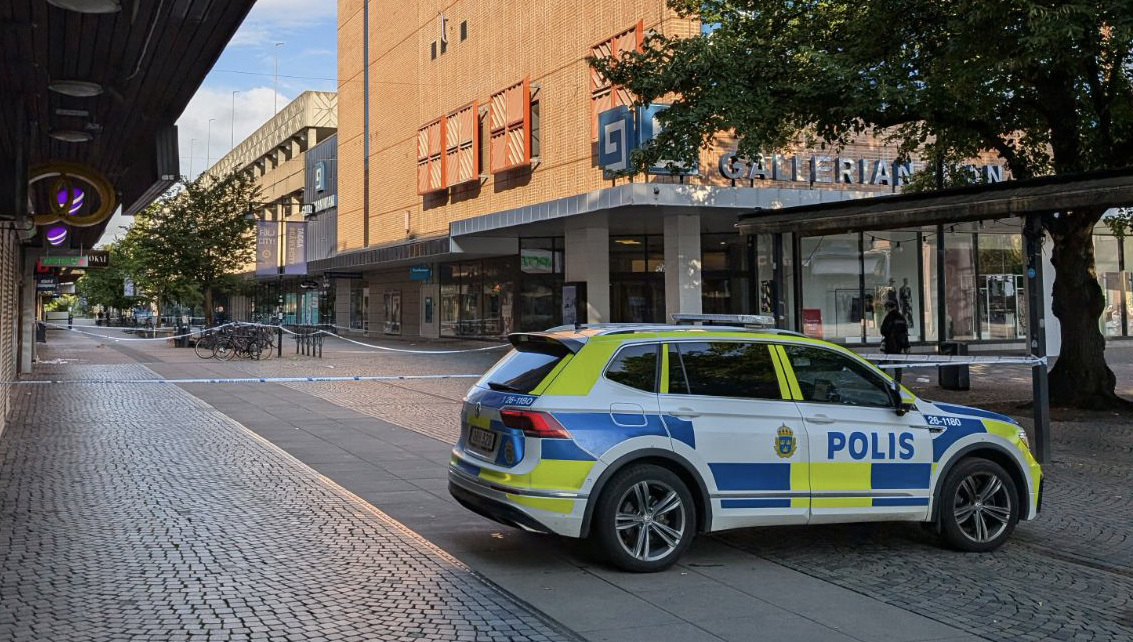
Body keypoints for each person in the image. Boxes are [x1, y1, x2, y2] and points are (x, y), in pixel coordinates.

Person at [881, 300, 911, 383]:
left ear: (888, 308)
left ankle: (880, 379)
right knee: (897, 365)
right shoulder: (901, 317)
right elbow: (905, 333)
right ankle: (898, 382)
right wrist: (906, 346)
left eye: (886, 308)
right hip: (899, 344)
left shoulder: (888, 317)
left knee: (884, 363)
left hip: (889, 344)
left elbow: (883, 330)